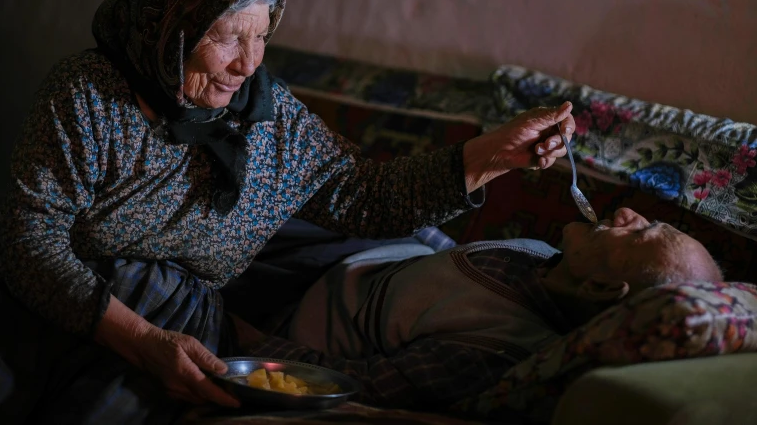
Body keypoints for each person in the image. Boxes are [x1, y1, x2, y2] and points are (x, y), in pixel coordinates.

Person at [0, 0, 575, 424]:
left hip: (178, 321)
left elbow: (368, 198)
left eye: (261, 37)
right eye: (227, 37)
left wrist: (491, 155)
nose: (247, 63)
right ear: (168, 27)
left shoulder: (269, 119)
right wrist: (137, 341)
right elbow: (27, 241)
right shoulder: (88, 95)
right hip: (56, 297)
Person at [230, 207, 723, 412]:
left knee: (179, 268)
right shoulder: (548, 259)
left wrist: (246, 339)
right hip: (360, 253)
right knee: (242, 192)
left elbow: (355, 382)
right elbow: (451, 262)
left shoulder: (491, 349)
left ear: (600, 289)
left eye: (637, 233)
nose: (624, 214)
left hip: (296, 305)